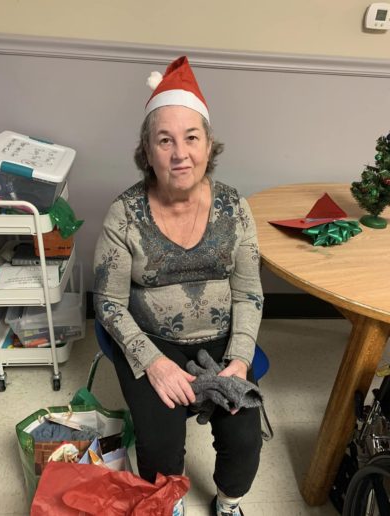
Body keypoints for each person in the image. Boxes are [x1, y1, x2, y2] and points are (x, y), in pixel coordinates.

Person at [93, 56, 264, 516]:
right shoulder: (124, 214)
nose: (179, 153)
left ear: (209, 145)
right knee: (159, 444)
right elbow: (107, 303)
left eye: (191, 137)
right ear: (147, 152)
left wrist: (240, 360)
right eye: (164, 140)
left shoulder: (235, 208)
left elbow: (249, 292)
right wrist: (153, 363)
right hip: (153, 340)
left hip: (222, 340)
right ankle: (169, 502)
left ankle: (228, 503)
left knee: (244, 435)